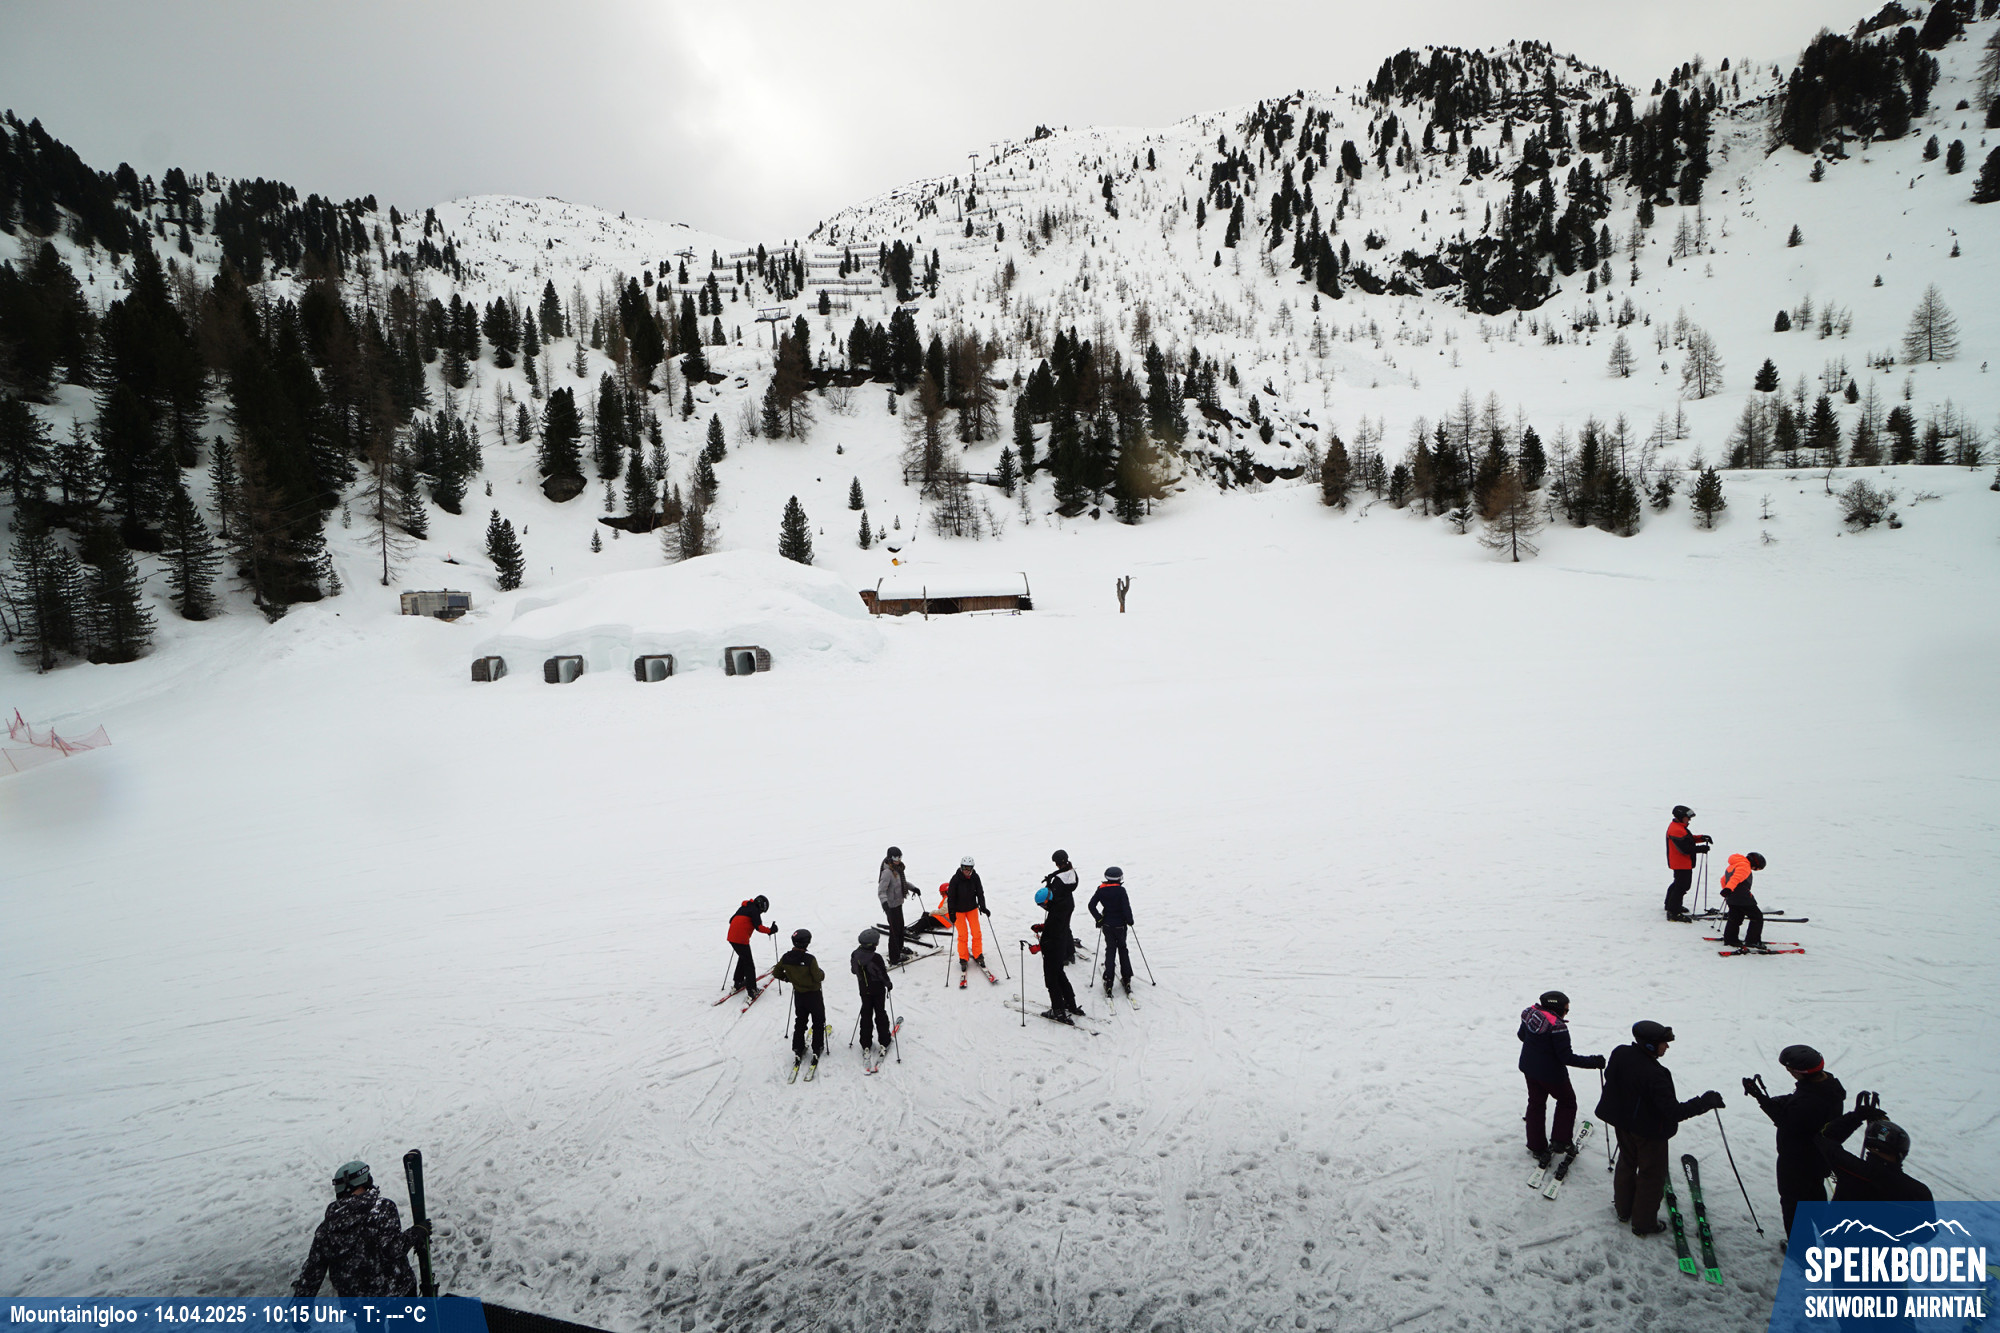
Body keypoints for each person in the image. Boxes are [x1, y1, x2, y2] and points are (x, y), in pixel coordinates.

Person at [1593, 1021, 1725, 1236]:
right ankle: (1644, 1224)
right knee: (1651, 1175)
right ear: (1650, 1045)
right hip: (1648, 1133)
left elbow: (1612, 1078)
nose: (1667, 1047)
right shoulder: (1656, 1074)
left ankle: (1623, 1210)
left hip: (1623, 1123)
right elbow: (1673, 1111)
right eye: (1664, 1043)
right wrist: (1704, 1102)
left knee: (1627, 1162)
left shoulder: (1621, 1053)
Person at [1745, 1044, 1847, 1236]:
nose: (1789, 1072)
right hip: (1819, 1158)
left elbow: (1786, 1121)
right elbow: (1800, 1098)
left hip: (1799, 1161)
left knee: (1793, 1205)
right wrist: (1782, 1100)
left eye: (1789, 1069)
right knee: (1815, 1196)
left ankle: (1801, 1249)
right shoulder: (1828, 1085)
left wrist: (1761, 1098)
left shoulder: (1808, 1103)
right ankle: (1827, 1237)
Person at [292, 1160, 429, 1298]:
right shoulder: (382, 1208)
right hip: (395, 1294)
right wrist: (417, 1232)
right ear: (365, 1181)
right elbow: (393, 1249)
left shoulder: (329, 1225)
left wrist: (301, 1304)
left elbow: (313, 1269)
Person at [1517, 990, 1606, 1165]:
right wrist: (1594, 1062)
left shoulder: (1529, 1014)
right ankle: (1561, 1141)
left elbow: (1522, 1036)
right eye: (1566, 1010)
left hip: (1529, 1068)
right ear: (1557, 1009)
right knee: (1567, 1102)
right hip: (1552, 1075)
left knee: (1536, 1104)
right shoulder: (1557, 1027)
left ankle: (1536, 1146)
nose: (1566, 1014)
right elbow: (1566, 1058)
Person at [1819, 1093, 1933, 1203]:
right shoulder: (1920, 1193)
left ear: (1871, 1147)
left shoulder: (1851, 1169)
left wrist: (1856, 1116)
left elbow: (1826, 1138)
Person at [1033, 850, 1083, 1020]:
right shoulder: (1065, 903)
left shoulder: (1055, 912)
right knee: (1060, 974)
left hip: (1053, 947)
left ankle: (1058, 1010)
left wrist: (1039, 946)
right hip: (1062, 944)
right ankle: (1070, 1004)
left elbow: (1051, 934)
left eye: (1042, 905)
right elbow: (1057, 923)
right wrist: (1043, 926)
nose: (1043, 908)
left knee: (1051, 980)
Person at [772, 929, 827, 1065]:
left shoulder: (786, 957)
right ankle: (817, 1047)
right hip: (814, 995)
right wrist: (822, 974)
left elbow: (776, 972)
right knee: (818, 1021)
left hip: (799, 995)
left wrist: (788, 978)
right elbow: (817, 977)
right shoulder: (809, 959)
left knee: (801, 1021)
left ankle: (798, 1047)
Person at [1088, 866, 1136, 996]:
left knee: (1110, 950)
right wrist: (1130, 920)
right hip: (1121, 925)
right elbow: (1126, 907)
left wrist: (1099, 918)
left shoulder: (1101, 890)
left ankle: (1109, 981)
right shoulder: (1121, 890)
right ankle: (1126, 978)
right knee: (1123, 949)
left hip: (1107, 925)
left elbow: (1091, 905)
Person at [1663, 805, 1713, 921]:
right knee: (1682, 886)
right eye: (1687, 817)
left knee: (1678, 883)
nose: (1689, 819)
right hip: (1681, 863)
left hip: (1681, 862)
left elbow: (1687, 839)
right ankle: (1674, 912)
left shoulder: (1679, 827)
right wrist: (1700, 849)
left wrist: (1701, 838)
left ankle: (1670, 905)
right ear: (1681, 817)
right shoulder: (1676, 830)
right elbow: (1685, 848)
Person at [851, 928, 894, 1058]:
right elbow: (882, 974)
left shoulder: (855, 954)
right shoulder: (876, 958)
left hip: (864, 990)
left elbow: (853, 970)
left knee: (866, 1014)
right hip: (877, 990)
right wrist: (888, 984)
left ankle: (865, 1043)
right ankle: (884, 1040)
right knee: (880, 1013)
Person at [946, 856, 990, 976]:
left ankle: (978, 954)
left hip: (972, 909)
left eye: (969, 868)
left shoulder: (975, 877)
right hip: (959, 911)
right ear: (961, 867)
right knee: (963, 935)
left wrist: (983, 907)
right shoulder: (955, 879)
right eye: (964, 868)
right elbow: (951, 898)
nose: (966, 870)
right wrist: (951, 913)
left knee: (976, 933)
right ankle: (963, 958)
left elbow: (980, 893)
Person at [727, 894, 777, 998]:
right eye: (762, 910)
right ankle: (752, 990)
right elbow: (758, 927)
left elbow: (731, 920)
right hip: (741, 940)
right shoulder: (754, 910)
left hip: (731, 938)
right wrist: (770, 931)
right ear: (761, 906)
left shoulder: (744, 907)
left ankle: (738, 982)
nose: (761, 912)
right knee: (749, 964)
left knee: (743, 959)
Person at [877, 846, 921, 964]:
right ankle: (894, 957)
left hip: (898, 903)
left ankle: (900, 948)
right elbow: (881, 891)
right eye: (896, 858)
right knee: (894, 931)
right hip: (890, 906)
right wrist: (885, 903)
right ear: (890, 858)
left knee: (900, 927)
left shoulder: (898, 869)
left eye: (900, 857)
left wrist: (913, 888)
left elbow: (902, 883)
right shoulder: (887, 872)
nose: (899, 860)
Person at [1719, 852, 1769, 950]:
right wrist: (1728, 889)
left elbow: (1723, 880)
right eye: (1757, 868)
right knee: (1757, 917)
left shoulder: (1733, 865)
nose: (1755, 870)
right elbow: (1736, 878)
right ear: (1755, 863)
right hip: (1743, 897)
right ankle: (1753, 941)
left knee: (1735, 918)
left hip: (1732, 898)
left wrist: (1727, 891)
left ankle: (1730, 939)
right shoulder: (1745, 865)